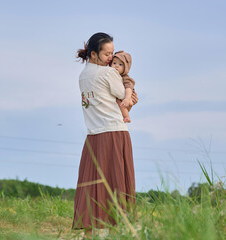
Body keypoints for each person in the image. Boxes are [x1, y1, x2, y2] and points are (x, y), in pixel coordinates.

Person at [72, 32, 138, 238]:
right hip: (114, 132)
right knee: (117, 183)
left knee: (90, 185)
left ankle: (89, 234)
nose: (111, 58)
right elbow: (126, 97)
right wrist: (130, 96)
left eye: (112, 53)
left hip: (93, 136)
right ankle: (115, 233)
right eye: (107, 53)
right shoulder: (109, 74)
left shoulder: (83, 76)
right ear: (93, 54)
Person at [110, 50, 135, 123]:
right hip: (124, 97)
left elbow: (129, 87)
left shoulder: (125, 77)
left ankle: (126, 116)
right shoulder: (112, 74)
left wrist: (127, 98)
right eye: (114, 63)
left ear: (126, 68)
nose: (116, 66)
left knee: (119, 102)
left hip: (128, 94)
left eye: (120, 64)